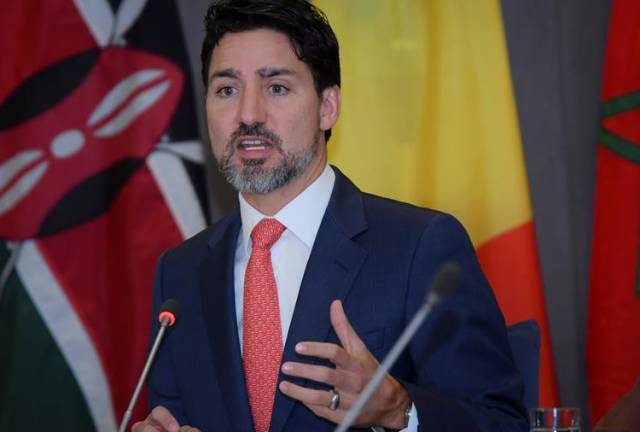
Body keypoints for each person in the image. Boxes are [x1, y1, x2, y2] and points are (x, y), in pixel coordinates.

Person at [134, 0, 527, 431]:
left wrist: (400, 411)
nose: (248, 115)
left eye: (276, 87)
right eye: (227, 90)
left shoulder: (420, 246)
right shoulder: (181, 273)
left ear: (328, 107)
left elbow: (503, 423)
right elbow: (170, 417)